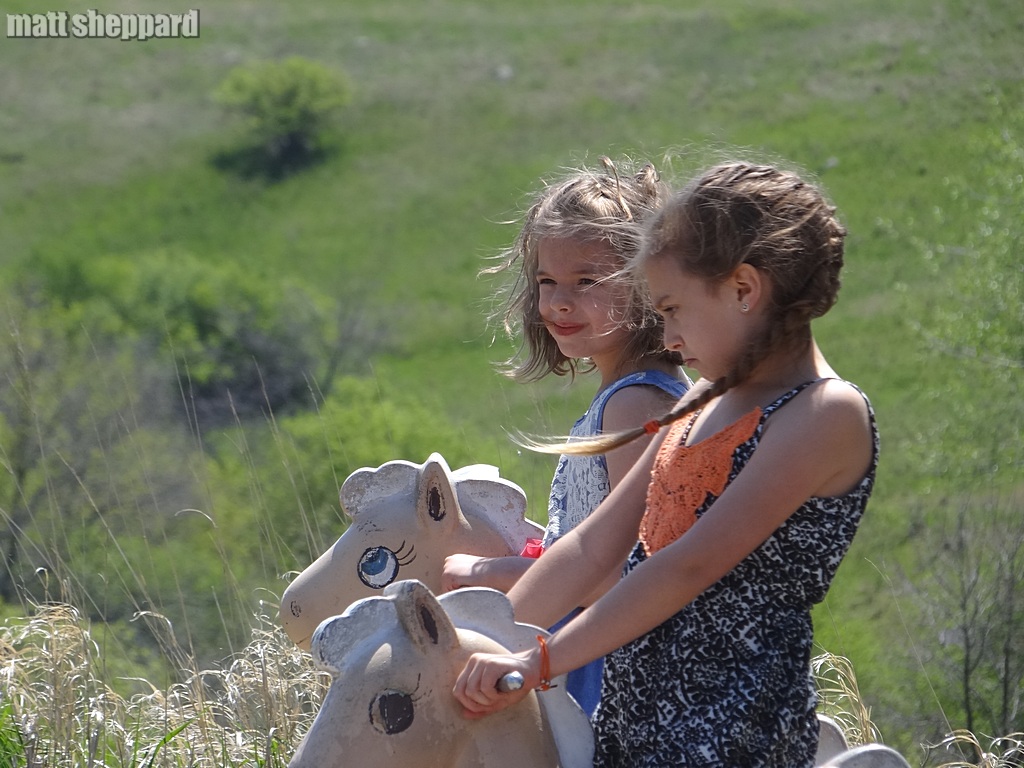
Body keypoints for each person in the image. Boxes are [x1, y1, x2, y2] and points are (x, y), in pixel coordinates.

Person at [452, 160, 880, 768]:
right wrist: (489, 638)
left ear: (743, 290)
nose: (668, 337)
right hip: (631, 719)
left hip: (732, 728)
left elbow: (687, 565)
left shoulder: (824, 412)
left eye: (674, 309)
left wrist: (537, 660)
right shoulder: (697, 403)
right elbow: (594, 548)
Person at [441, 157, 690, 717]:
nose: (557, 301)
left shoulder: (637, 404)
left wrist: (490, 575)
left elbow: (629, 575)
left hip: (610, 668)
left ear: (648, 284)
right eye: (546, 281)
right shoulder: (628, 394)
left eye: (586, 281)